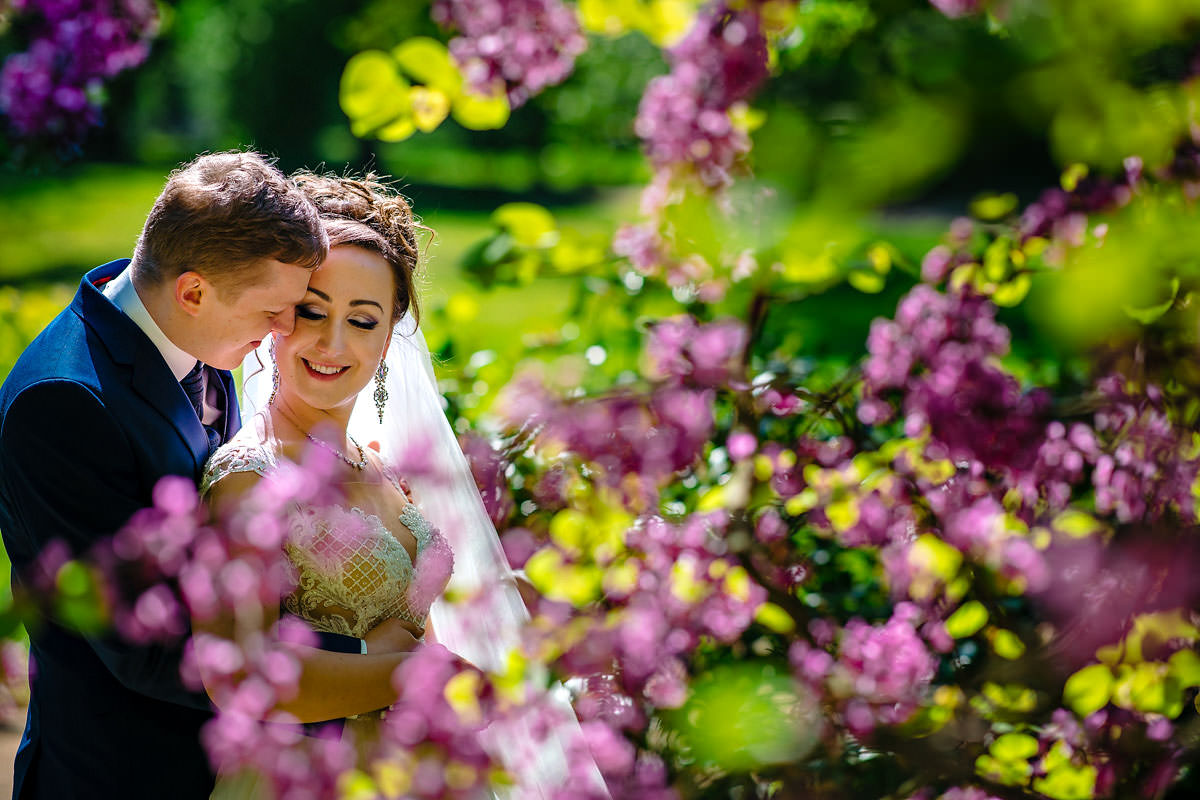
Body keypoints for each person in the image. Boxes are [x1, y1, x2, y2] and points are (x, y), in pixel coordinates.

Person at [0, 151, 355, 800]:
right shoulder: (62, 405)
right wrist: (352, 661)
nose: (283, 331)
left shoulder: (194, 332)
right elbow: (142, 645)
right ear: (193, 290)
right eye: (271, 311)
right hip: (124, 773)